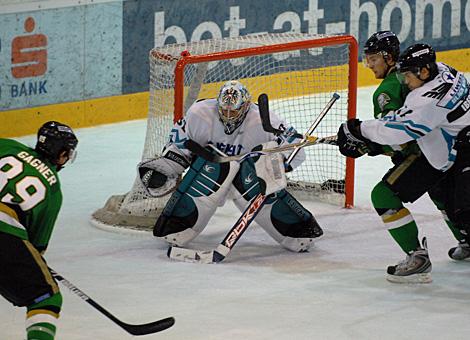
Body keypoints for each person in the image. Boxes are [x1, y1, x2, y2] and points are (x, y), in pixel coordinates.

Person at [138, 80, 323, 254]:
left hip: (247, 179)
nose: (228, 117)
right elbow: (180, 146)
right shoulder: (198, 113)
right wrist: (167, 168)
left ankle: (298, 233)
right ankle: (175, 230)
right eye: (223, 111)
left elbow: (296, 149)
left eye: (233, 112)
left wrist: (274, 165)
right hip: (210, 174)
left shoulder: (265, 120)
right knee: (209, 170)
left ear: (245, 106)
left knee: (256, 176)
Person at [337, 43, 470, 283]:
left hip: (449, 153)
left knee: (383, 195)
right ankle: (467, 240)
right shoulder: (446, 70)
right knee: (444, 192)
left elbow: (399, 130)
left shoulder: (427, 99)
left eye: (408, 75)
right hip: (458, 146)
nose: (405, 81)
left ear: (424, 72)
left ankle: (416, 257)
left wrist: (359, 130)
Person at [0, 121, 78, 339]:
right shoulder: (53, 190)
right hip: (4, 232)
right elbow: (36, 246)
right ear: (61, 153)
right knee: (46, 299)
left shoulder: (8, 146)